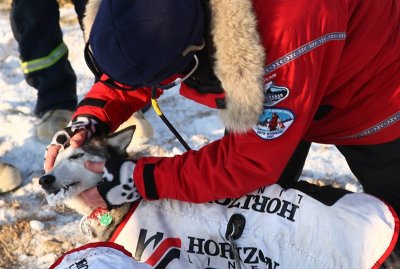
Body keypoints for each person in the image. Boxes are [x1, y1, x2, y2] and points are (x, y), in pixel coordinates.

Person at [44, 0, 400, 266]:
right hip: (274, 84)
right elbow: (136, 54)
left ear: (195, 51)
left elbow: (247, 162)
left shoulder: (283, 26)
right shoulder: (152, 10)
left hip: (376, 91)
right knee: (258, 217)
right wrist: (89, 121)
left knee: (389, 229)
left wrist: (139, 178)